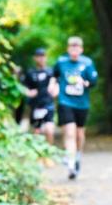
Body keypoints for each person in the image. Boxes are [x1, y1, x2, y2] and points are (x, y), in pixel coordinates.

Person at [53, 36, 98, 180]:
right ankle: (71, 163)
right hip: (65, 102)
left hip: (82, 104)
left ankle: (77, 156)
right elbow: (53, 76)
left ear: (81, 49)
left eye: (77, 48)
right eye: (71, 48)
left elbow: (93, 82)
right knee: (70, 132)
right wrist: (52, 85)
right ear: (68, 49)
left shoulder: (87, 63)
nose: (74, 50)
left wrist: (85, 83)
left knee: (79, 134)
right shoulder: (61, 62)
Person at [21, 47, 58, 144]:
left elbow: (56, 84)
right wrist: (29, 92)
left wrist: (55, 90)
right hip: (35, 105)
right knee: (36, 131)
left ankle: (49, 151)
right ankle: (39, 154)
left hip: (48, 104)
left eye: (43, 56)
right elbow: (24, 87)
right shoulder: (30, 72)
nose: (41, 58)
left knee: (49, 130)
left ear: (46, 57)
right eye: (39, 56)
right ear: (35, 58)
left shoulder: (51, 72)